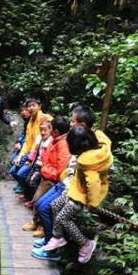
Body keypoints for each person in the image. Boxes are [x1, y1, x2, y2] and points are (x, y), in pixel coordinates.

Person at [32, 124, 113, 263]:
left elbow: (93, 184)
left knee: (63, 219)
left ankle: (85, 244)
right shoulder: (96, 147)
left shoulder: (89, 162)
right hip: (74, 189)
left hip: (82, 196)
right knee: (54, 205)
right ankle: (58, 237)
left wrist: (92, 203)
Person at [29, 105, 103, 245]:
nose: (71, 124)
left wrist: (92, 202)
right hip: (67, 183)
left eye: (73, 121)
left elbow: (89, 178)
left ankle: (56, 242)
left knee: (49, 209)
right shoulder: (74, 139)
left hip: (71, 189)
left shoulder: (83, 144)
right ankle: (51, 240)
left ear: (83, 124)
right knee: (45, 205)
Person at [10, 98, 51, 194]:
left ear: (39, 106)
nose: (31, 108)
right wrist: (20, 156)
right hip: (30, 153)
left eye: (34, 105)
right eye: (29, 106)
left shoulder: (45, 118)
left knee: (21, 173)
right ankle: (24, 187)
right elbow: (27, 142)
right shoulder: (30, 122)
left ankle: (28, 192)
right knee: (13, 170)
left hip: (39, 154)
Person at [11, 103, 31, 193]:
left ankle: (23, 185)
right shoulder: (26, 121)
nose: (23, 112)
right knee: (13, 160)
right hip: (24, 147)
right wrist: (19, 141)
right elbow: (24, 134)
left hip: (29, 150)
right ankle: (20, 183)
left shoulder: (33, 121)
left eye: (25, 110)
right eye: (22, 111)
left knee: (16, 163)